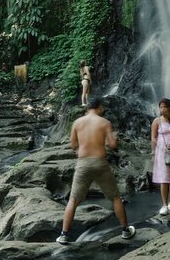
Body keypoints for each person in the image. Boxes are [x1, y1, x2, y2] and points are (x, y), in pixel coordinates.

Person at [57, 97, 136, 244]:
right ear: (99, 108)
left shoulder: (77, 123)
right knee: (115, 198)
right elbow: (112, 145)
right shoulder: (104, 122)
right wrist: (110, 139)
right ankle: (125, 230)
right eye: (102, 108)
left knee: (73, 200)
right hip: (100, 163)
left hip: (83, 163)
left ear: (87, 108)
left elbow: (73, 145)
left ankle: (64, 234)